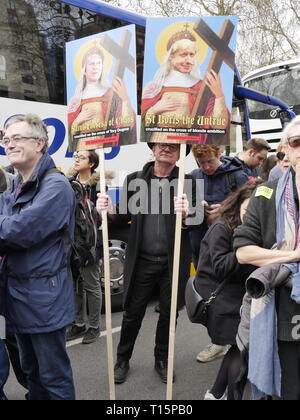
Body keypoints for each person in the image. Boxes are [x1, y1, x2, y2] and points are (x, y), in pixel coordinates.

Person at [97, 142, 197, 384]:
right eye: (161, 145)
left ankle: (162, 359)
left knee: (168, 315)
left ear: (180, 154)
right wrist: (108, 210)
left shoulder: (189, 183)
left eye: (173, 146)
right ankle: (122, 359)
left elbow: (196, 220)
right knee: (132, 313)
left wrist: (187, 213)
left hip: (172, 263)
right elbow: (122, 216)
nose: (166, 148)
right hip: (141, 262)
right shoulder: (134, 180)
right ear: (152, 150)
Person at [0, 114, 76, 400]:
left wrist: (5, 226)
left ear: (40, 143)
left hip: (44, 298)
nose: (9, 144)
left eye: (17, 138)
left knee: (53, 378)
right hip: (18, 295)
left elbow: (15, 230)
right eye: (7, 139)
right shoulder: (17, 183)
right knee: (31, 373)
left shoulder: (55, 186)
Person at [233, 115, 300, 400]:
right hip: (285, 319)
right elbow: (243, 251)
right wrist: (293, 255)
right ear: (287, 149)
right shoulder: (266, 194)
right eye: (298, 141)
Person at [195, 181, 259, 400]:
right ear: (239, 203)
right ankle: (227, 395)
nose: (251, 215)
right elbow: (221, 268)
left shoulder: (255, 227)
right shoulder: (222, 227)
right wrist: (247, 255)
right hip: (217, 293)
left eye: (257, 212)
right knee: (240, 346)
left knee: (237, 346)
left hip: (236, 291)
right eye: (247, 210)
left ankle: (214, 394)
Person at [142, 27, 229, 145]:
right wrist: (154, 110)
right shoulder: (154, 87)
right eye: (183, 55)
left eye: (192, 55)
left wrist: (219, 95)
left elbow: (219, 125)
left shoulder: (201, 87)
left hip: (187, 144)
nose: (189, 61)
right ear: (171, 57)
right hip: (159, 141)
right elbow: (141, 124)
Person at [68, 44, 136, 151]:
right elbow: (70, 135)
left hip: (104, 147)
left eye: (99, 63)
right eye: (91, 64)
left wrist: (125, 99)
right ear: (84, 69)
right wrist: (77, 121)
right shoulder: (76, 100)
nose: (96, 67)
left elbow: (127, 125)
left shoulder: (111, 94)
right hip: (83, 148)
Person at [67, 150, 102, 344]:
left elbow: (102, 215)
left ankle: (94, 326)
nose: (76, 159)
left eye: (81, 157)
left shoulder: (98, 185)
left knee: (91, 284)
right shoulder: (68, 183)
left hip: (89, 242)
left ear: (92, 164)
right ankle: (79, 323)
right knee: (75, 285)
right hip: (72, 241)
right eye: (76, 157)